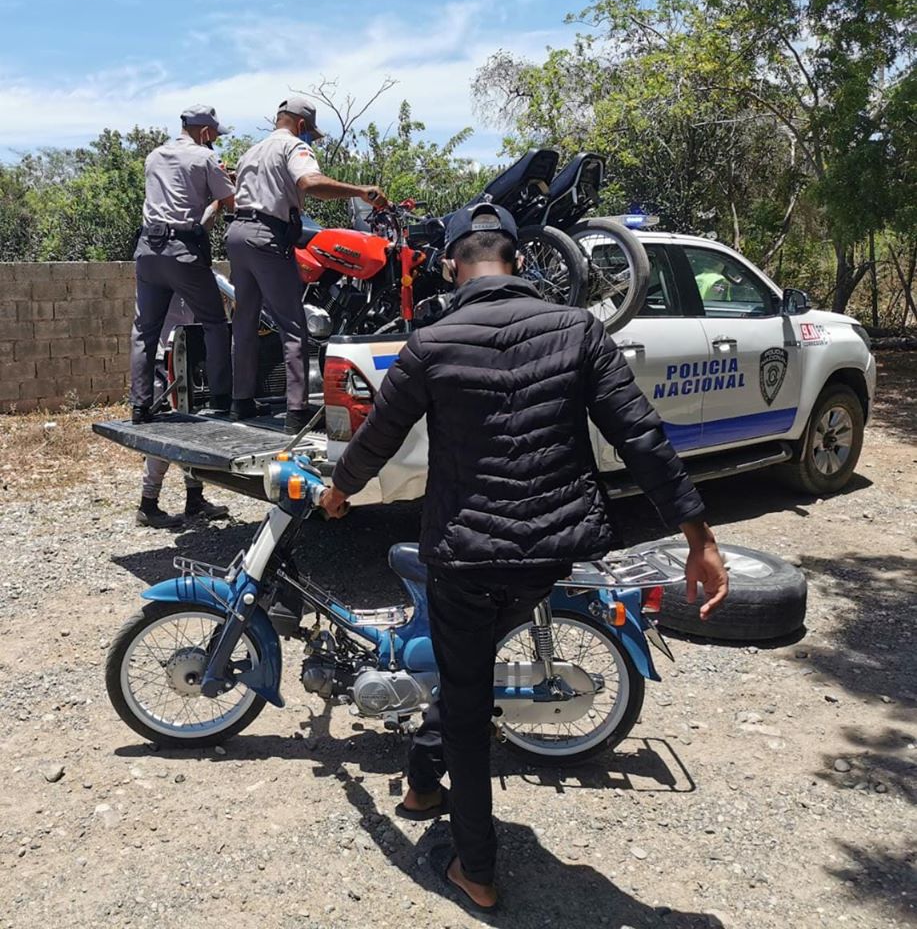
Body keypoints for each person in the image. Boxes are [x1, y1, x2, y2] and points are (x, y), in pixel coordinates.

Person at [319, 203, 729, 913]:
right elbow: (641, 437)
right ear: (517, 260)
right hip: (547, 556)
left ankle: (475, 869)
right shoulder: (577, 330)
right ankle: (421, 782)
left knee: (467, 692)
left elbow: (377, 438)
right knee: (459, 667)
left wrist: (338, 492)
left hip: (468, 557)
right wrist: (700, 537)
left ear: (451, 266)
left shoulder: (431, 341)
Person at [226, 95, 388, 433]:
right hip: (268, 236)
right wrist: (361, 191)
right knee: (294, 328)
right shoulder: (293, 148)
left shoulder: (251, 151)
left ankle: (240, 401)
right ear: (301, 125)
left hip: (238, 235)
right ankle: (297, 411)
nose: (310, 139)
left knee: (245, 321)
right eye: (310, 134)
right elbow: (310, 184)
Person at [130, 105, 235, 424]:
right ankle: (220, 399)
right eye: (215, 134)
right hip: (183, 251)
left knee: (144, 331)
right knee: (214, 323)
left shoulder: (154, 156)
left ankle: (140, 405)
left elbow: (174, 193)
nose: (215, 140)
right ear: (205, 132)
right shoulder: (205, 158)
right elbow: (230, 204)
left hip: (148, 249)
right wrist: (226, 182)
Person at [136, 295, 230, 528]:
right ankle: (148, 505)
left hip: (186, 356)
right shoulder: (166, 276)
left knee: (193, 435)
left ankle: (195, 500)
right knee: (163, 439)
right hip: (164, 361)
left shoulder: (186, 273)